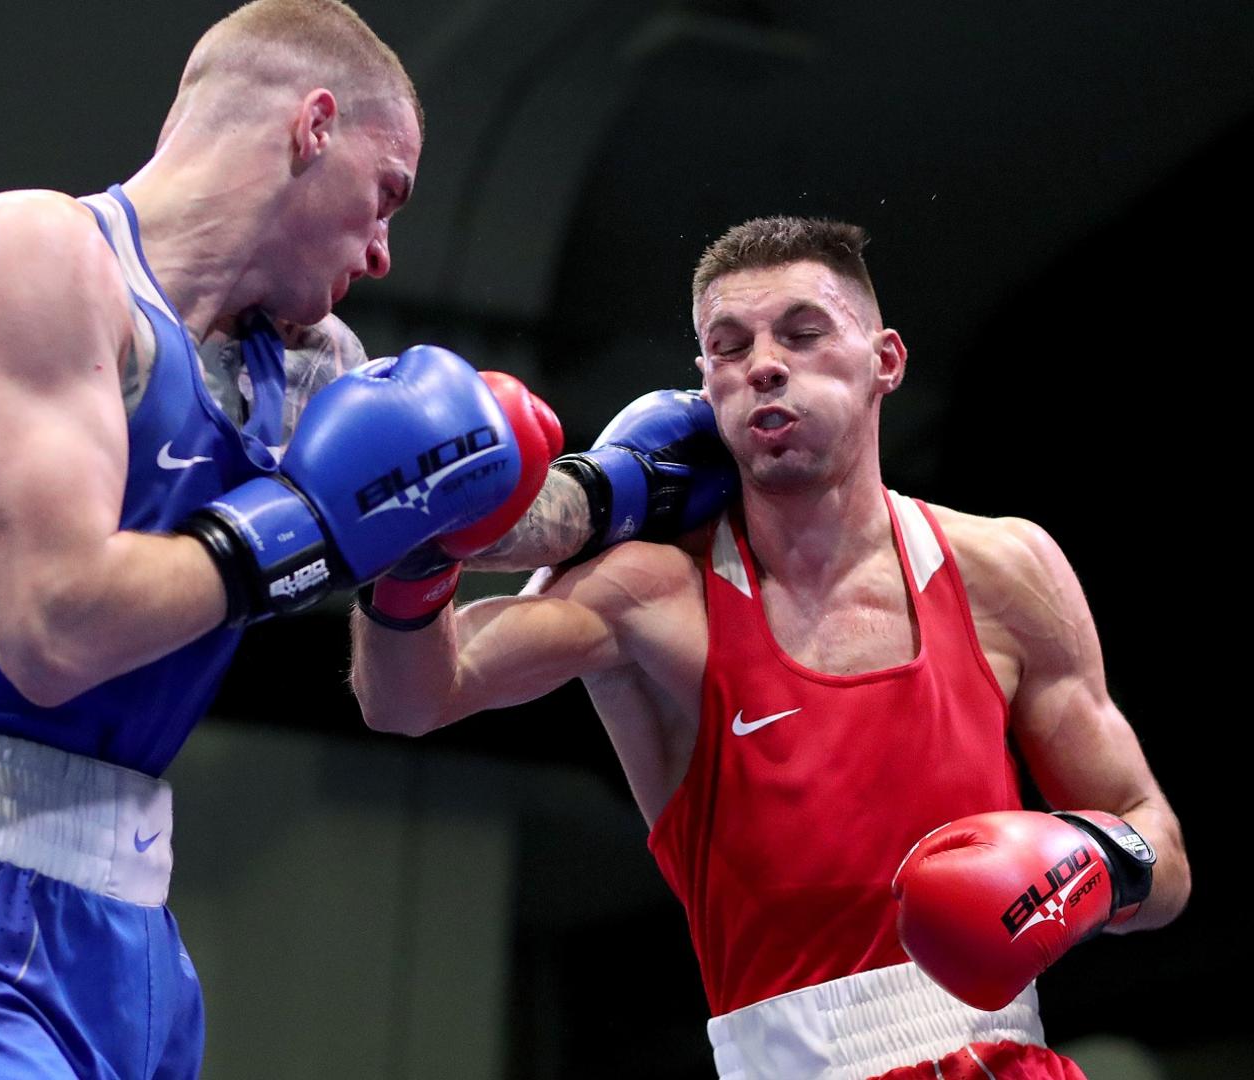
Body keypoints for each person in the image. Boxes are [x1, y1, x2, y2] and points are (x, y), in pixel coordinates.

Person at [0, 2, 564, 1077]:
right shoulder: (28, 258)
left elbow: (431, 636)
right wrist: (317, 525)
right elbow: (56, 629)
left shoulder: (309, 365)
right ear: (313, 127)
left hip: (128, 934)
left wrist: (642, 484)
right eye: (386, 194)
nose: (381, 249)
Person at [351, 216, 1191, 1079]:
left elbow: (1159, 849)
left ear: (885, 361)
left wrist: (1094, 864)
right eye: (728, 346)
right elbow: (410, 698)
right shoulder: (653, 595)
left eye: (802, 332)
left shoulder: (1005, 573)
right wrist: (415, 556)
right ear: (707, 386)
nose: (763, 364)